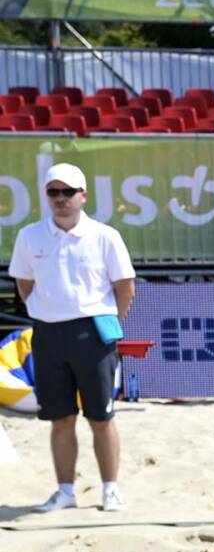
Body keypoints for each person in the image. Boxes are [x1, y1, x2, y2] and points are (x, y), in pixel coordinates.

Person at [6, 162, 134, 513]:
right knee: (60, 418)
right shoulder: (30, 236)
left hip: (92, 332)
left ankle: (110, 489)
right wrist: (48, 309)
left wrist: (109, 322)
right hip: (48, 333)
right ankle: (65, 492)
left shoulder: (105, 236)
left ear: (83, 195)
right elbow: (24, 284)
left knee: (101, 417)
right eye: (53, 192)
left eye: (68, 192)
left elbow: (125, 287)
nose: (60, 198)